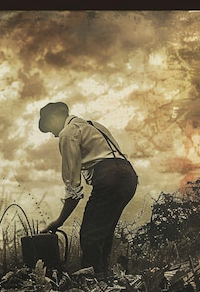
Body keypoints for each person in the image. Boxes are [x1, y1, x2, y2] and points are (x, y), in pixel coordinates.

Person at [38, 102, 138, 277]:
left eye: (50, 130)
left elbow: (73, 188)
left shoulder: (67, 133)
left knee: (90, 235)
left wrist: (58, 221)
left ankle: (93, 283)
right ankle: (104, 278)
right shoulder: (94, 126)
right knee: (103, 233)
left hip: (109, 177)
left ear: (53, 119)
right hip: (128, 176)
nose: (54, 135)